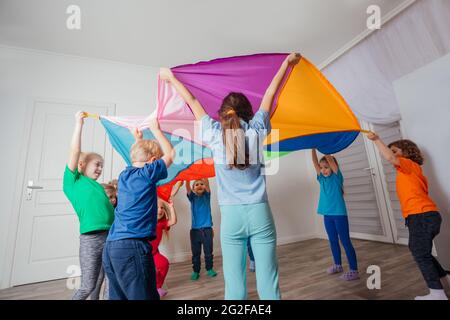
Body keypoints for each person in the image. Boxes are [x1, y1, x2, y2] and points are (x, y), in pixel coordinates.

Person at [159, 52, 301, 299]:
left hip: (231, 216)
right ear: (248, 112)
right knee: (269, 280)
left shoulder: (214, 134)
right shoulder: (257, 129)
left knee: (234, 285)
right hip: (260, 213)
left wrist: (170, 78)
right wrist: (286, 64)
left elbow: (192, 100)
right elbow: (270, 95)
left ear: (223, 115)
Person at [367, 133, 448, 300]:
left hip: (421, 215)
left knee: (420, 253)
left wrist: (376, 140)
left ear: (406, 152)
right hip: (425, 216)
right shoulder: (411, 171)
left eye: (395, 151)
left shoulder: (408, 165)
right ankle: (445, 278)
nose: (392, 154)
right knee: (421, 251)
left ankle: (437, 293)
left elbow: (390, 158)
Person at [102, 119, 175, 300]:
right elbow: (171, 154)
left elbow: (136, 159)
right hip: (132, 247)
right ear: (153, 162)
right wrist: (156, 130)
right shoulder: (147, 173)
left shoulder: (125, 174)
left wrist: (137, 140)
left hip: (111, 247)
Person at [63, 111, 114, 300]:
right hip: (91, 239)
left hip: (110, 235)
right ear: (82, 165)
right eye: (97, 164)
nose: (100, 169)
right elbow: (75, 151)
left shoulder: (99, 187)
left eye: (102, 165)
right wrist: (79, 124)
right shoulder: (73, 182)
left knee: (108, 278)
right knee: (88, 285)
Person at [311, 149, 359, 281]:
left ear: (333, 167)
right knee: (332, 240)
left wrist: (324, 147)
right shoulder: (321, 179)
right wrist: (312, 148)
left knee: (345, 241)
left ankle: (354, 270)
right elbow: (315, 163)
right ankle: (338, 265)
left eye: (326, 167)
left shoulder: (337, 177)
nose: (323, 170)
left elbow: (330, 160)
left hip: (339, 214)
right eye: (322, 168)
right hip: (327, 215)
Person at [152, 198, 177, 297]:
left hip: (154, 252)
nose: (160, 210)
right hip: (144, 252)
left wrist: (171, 207)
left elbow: (173, 221)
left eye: (162, 208)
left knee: (164, 263)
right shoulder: (147, 222)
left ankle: (157, 286)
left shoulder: (161, 223)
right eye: (157, 207)